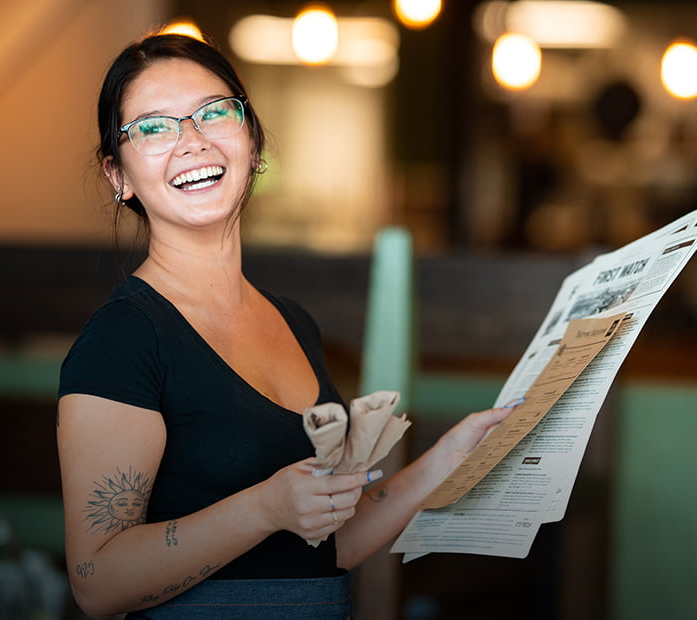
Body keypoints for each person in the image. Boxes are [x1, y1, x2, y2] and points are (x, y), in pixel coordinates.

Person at [56, 32, 512, 619]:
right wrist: (265, 508)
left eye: (214, 112)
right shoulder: (122, 339)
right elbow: (97, 581)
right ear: (118, 175)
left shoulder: (293, 322)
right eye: (153, 126)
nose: (191, 141)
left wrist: (450, 460)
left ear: (252, 140)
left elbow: (328, 547)